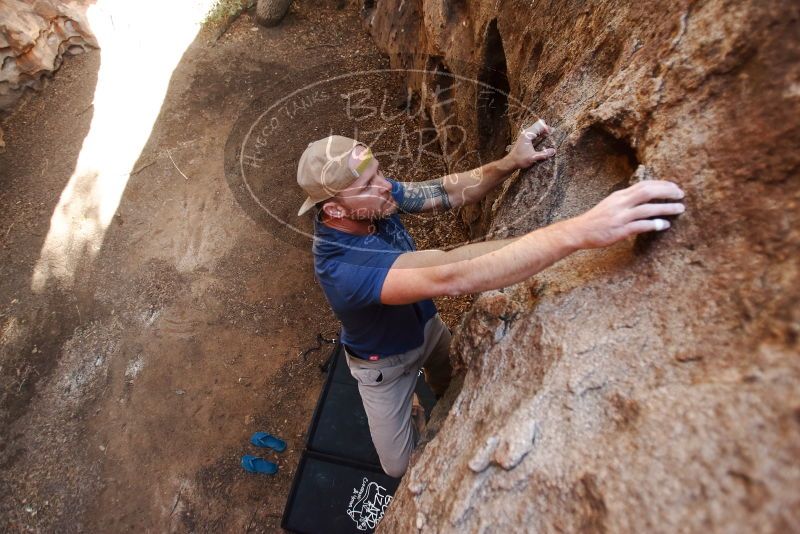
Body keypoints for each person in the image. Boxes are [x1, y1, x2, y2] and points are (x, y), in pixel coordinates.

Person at [296, 121, 685, 477]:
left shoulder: (370, 198)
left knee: (449, 384)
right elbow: (450, 273)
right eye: (369, 184)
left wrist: (509, 162)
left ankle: (434, 395)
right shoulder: (344, 268)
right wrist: (581, 231)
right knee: (397, 465)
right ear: (333, 209)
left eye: (378, 170)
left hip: (427, 327)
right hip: (385, 365)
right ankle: (413, 406)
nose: (385, 185)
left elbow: (444, 191)